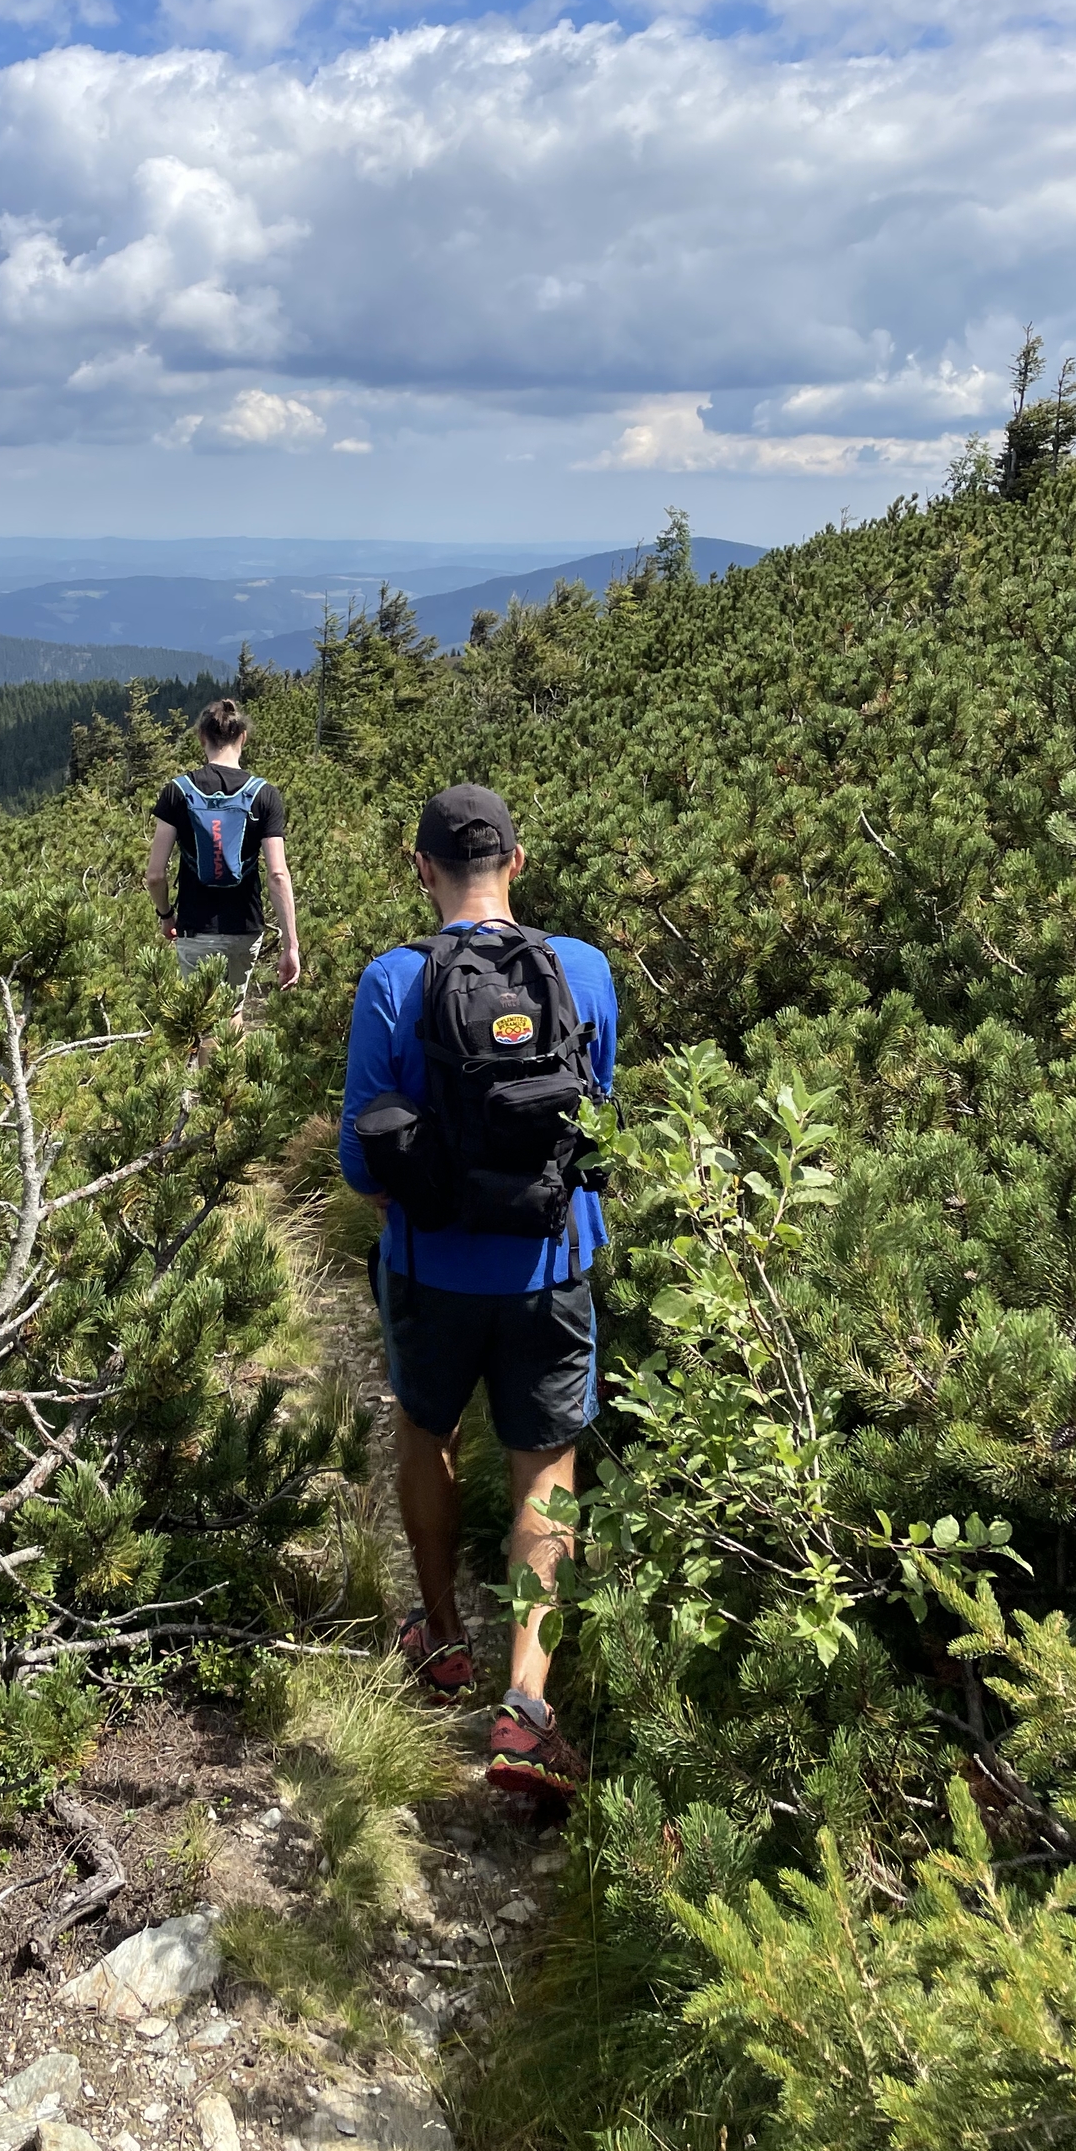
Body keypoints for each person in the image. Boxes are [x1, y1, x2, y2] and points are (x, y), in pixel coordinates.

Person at [339, 784, 617, 1800]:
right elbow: (600, 1136)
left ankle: (443, 1640)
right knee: (543, 1470)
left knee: (426, 1431)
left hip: (428, 1269)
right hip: (550, 1267)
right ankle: (525, 1710)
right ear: (518, 860)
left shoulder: (390, 980)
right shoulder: (581, 970)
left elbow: (358, 1165)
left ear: (421, 871)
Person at [147, 696, 302, 992]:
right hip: (245, 927)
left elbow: (155, 875)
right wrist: (290, 943)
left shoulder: (177, 791)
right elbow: (278, 875)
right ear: (242, 737)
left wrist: (167, 916)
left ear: (202, 737)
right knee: (233, 1013)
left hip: (195, 927)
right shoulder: (264, 794)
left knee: (197, 1018)